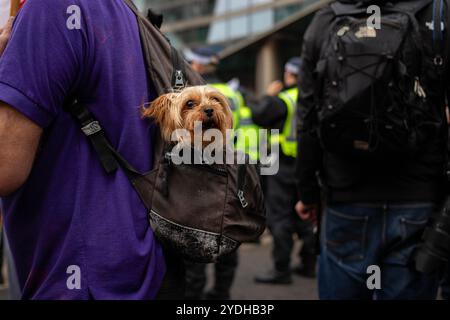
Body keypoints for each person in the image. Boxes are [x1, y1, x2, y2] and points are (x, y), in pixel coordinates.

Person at [0, 0, 173, 299]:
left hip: (74, 276)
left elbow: (4, 168)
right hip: (135, 262)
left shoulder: (48, 8)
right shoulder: (123, 9)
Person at [296, 0, 447, 299]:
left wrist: (307, 194)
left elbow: (307, 118)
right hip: (418, 198)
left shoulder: (326, 19)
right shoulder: (439, 13)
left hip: (346, 198)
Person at [183, 47, 250, 300]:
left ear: (198, 67)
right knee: (228, 237)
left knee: (195, 242)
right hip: (234, 171)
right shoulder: (233, 92)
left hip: (201, 173)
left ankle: (196, 297)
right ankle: (221, 294)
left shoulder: (193, 96)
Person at [253, 57, 317, 285]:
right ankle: (309, 265)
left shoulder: (283, 100)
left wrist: (269, 94)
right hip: (308, 166)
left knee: (280, 218)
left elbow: (258, 116)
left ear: (289, 75)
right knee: (307, 214)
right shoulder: (315, 98)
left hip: (281, 166)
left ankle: (281, 271)